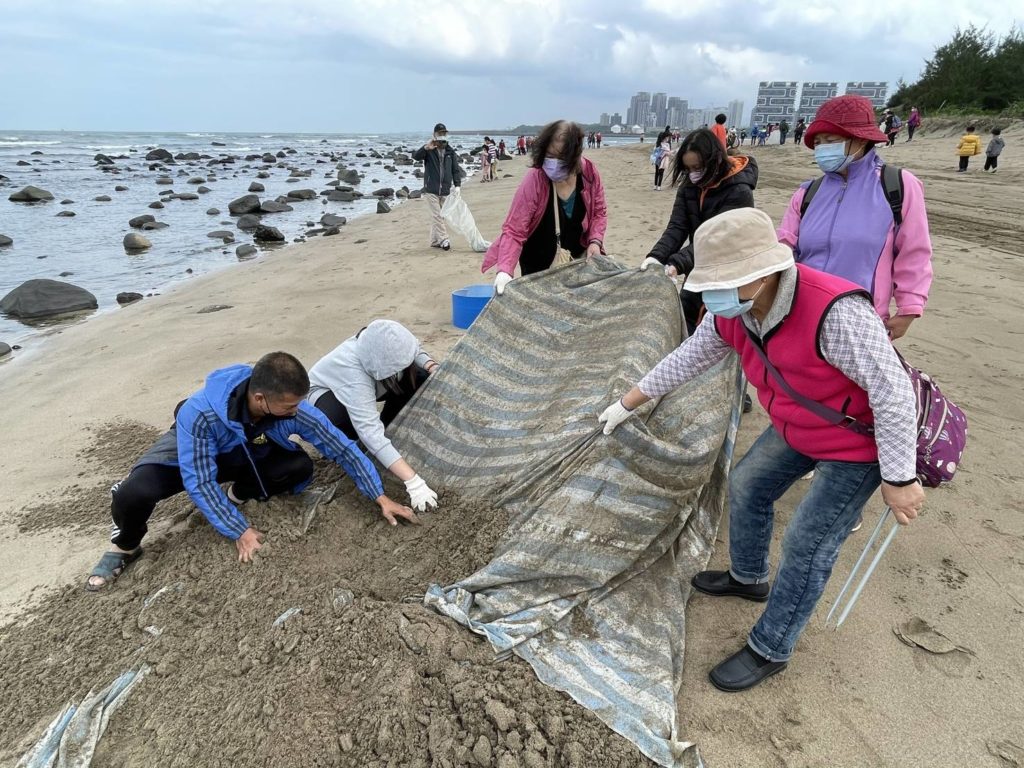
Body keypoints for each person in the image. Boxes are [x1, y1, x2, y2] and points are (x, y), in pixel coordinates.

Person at [599, 208, 923, 692]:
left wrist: (899, 479)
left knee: (807, 544)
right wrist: (626, 404)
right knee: (748, 485)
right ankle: (749, 577)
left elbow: (893, 393)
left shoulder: (835, 312)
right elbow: (688, 358)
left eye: (728, 283)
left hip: (856, 441)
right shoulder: (732, 313)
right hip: (798, 427)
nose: (717, 296)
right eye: (711, 285)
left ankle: (771, 647)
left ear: (767, 272)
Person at [86, 352, 417, 590]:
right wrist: (239, 531)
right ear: (260, 398)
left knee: (297, 466)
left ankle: (234, 494)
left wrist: (380, 496)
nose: (297, 411)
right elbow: (198, 480)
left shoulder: (288, 405)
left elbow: (339, 445)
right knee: (135, 493)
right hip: (194, 450)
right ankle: (125, 547)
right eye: (290, 407)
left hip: (241, 449)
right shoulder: (199, 414)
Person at [777, 94, 933, 340]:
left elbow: (914, 252)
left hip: (862, 322)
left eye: (830, 140)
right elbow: (784, 248)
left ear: (860, 139)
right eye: (818, 142)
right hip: (803, 317)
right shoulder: (807, 193)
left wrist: (909, 309)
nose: (822, 148)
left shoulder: (898, 185)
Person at [308, 320, 440, 512]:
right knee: (347, 425)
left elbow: (412, 349)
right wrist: (414, 483)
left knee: (420, 376)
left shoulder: (386, 336)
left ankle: (390, 433)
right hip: (328, 395)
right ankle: (362, 449)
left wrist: (430, 365)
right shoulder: (352, 374)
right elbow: (369, 431)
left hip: (377, 382)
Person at [640, 127, 758, 332]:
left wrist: (677, 263)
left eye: (698, 167)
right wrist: (656, 257)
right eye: (689, 169)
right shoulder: (689, 186)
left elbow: (719, 240)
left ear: (715, 161)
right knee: (685, 322)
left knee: (719, 331)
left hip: (729, 277)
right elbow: (677, 227)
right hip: (698, 269)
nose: (694, 174)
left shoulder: (739, 191)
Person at [482, 119, 607, 295]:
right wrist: (505, 270)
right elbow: (514, 229)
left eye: (559, 158)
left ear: (575, 155)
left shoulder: (589, 174)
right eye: (549, 157)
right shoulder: (535, 178)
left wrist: (595, 241)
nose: (552, 163)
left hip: (576, 260)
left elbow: (599, 212)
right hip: (537, 263)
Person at [412, 122, 462, 251]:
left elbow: (455, 169)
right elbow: (415, 157)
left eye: (444, 133)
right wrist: (426, 148)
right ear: (434, 134)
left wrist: (457, 185)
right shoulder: (429, 150)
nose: (442, 135)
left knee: (442, 215)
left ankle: (435, 241)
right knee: (437, 215)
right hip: (431, 188)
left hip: (445, 189)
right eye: (440, 133)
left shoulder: (450, 152)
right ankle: (444, 239)